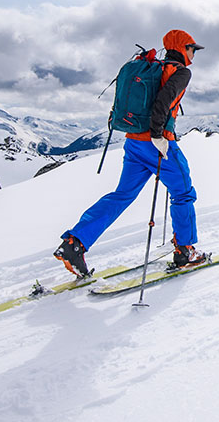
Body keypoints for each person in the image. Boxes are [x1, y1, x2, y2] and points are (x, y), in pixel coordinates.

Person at [53, 29, 206, 278]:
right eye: (192, 48)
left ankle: (75, 242)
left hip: (133, 143)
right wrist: (158, 135)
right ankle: (185, 251)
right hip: (158, 145)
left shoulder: (152, 69)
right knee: (183, 193)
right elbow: (163, 102)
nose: (194, 53)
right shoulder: (180, 72)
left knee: (122, 194)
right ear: (182, 47)